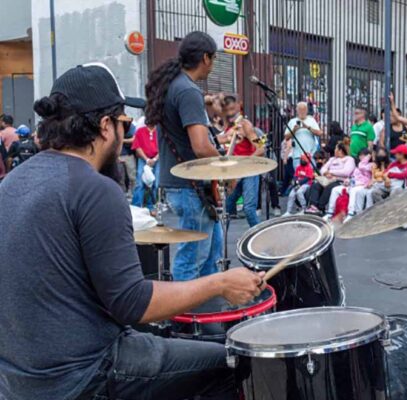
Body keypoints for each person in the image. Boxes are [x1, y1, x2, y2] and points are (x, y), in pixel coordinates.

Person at [0, 62, 265, 400]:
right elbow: (132, 303)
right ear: (106, 126)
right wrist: (222, 283)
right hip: (83, 376)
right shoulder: (93, 188)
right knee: (230, 364)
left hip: (18, 380)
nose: (126, 133)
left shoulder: (14, 180)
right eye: (125, 123)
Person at [146, 31, 224, 280]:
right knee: (192, 259)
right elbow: (201, 146)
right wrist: (227, 167)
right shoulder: (188, 91)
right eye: (214, 59)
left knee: (212, 253)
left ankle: (207, 309)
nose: (213, 66)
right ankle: (186, 316)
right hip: (190, 187)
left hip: (180, 184)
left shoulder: (172, 85)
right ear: (205, 58)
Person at [222, 95, 264, 227]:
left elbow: (261, 148)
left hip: (248, 170)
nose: (230, 112)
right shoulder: (226, 126)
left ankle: (259, 238)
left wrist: (247, 161)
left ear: (239, 107)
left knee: (249, 209)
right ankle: (221, 244)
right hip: (233, 172)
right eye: (227, 109)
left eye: (232, 109)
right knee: (227, 208)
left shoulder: (246, 125)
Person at [325, 148, 373, 222]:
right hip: (353, 184)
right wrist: (348, 181)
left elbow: (364, 170)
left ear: (368, 156)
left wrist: (368, 157)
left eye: (363, 155)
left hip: (363, 185)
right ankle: (330, 212)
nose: (361, 157)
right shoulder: (357, 166)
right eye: (360, 155)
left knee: (353, 191)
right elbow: (352, 176)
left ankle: (351, 213)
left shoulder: (370, 165)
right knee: (335, 189)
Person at [305, 142, 355, 214]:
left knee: (329, 187)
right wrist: (326, 173)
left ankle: (320, 207)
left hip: (339, 181)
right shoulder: (332, 159)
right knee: (316, 185)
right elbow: (323, 169)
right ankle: (313, 206)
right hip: (328, 179)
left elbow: (346, 172)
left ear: (340, 150)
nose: (334, 150)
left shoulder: (349, 159)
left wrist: (331, 172)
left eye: (336, 148)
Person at [131, 123, 159, 210]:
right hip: (143, 159)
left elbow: (163, 147)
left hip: (157, 159)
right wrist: (146, 159)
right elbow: (137, 147)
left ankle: (151, 206)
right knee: (140, 183)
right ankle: (136, 206)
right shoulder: (140, 131)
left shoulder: (160, 131)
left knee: (156, 183)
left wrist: (155, 159)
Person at [285, 101, 322, 168]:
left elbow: (319, 133)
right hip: (297, 156)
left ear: (307, 110)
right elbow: (286, 137)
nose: (302, 112)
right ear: (297, 111)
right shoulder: (292, 121)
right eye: (300, 110)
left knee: (310, 176)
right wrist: (294, 130)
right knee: (300, 176)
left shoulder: (311, 120)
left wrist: (308, 127)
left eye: (304, 109)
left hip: (310, 155)